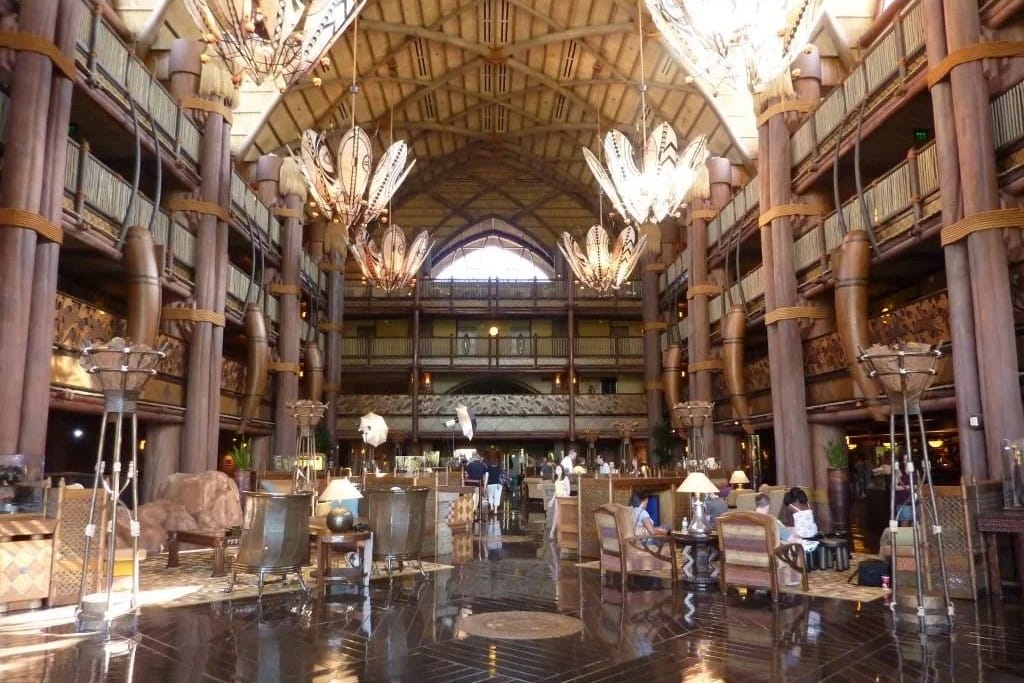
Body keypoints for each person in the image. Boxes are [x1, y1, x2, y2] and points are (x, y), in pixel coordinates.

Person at [778, 486, 819, 551]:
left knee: (781, 531)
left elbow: (789, 520)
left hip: (802, 533)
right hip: (813, 532)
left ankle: (802, 543)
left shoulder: (791, 506)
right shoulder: (808, 504)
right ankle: (804, 542)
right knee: (788, 529)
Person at [549, 464, 571, 540]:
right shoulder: (556, 480)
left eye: (560, 469)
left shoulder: (565, 478)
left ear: (562, 470)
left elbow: (568, 490)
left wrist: (566, 499)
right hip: (557, 499)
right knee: (556, 515)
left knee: (560, 515)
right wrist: (552, 500)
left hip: (563, 499)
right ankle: (553, 532)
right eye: (557, 469)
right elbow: (556, 491)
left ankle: (557, 532)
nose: (558, 471)